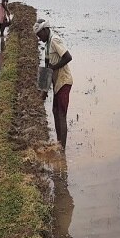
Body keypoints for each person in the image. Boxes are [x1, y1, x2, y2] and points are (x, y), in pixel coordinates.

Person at [33, 19, 73, 150]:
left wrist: (55, 67)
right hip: (57, 83)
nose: (39, 38)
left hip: (63, 81)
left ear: (45, 30)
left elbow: (68, 57)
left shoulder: (54, 40)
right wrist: (43, 91)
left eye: (40, 35)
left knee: (61, 114)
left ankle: (62, 149)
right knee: (55, 111)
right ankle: (59, 143)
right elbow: (46, 69)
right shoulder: (47, 45)